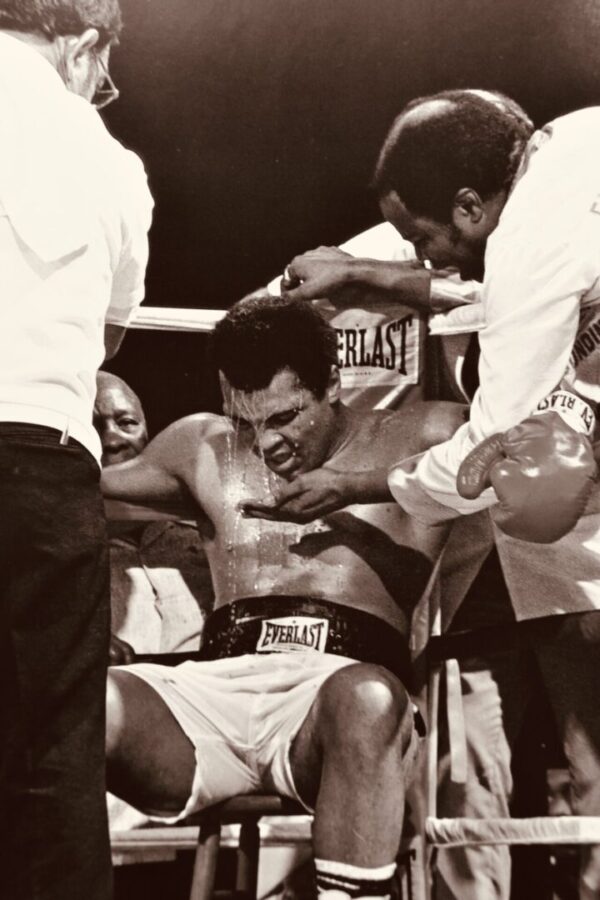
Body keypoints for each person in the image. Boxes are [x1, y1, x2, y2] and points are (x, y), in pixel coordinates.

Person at [261, 92, 600, 899]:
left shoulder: (530, 240)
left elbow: (497, 448)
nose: (433, 260)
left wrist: (355, 483)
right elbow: (519, 295)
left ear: (471, 204)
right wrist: (367, 271)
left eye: (425, 239)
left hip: (546, 532)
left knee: (536, 474)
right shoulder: (570, 143)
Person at [101, 295, 466, 900]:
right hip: (208, 697)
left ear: (332, 382)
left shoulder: (423, 434)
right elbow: (53, 492)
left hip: (335, 701)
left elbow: (552, 454)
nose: (266, 444)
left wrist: (355, 487)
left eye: (285, 418)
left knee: (369, 698)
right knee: (78, 703)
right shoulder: (201, 446)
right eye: (245, 421)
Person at [0, 2, 153, 898]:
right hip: (42, 458)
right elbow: (109, 338)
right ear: (85, 42)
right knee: (53, 748)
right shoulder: (105, 157)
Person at [95, 371, 214, 664]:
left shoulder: (207, 538)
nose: (112, 440)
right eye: (94, 426)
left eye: (126, 423)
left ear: (149, 434)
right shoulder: (58, 557)